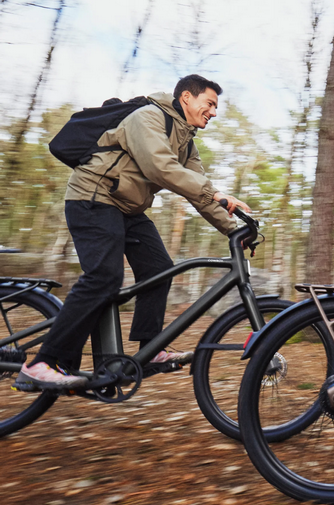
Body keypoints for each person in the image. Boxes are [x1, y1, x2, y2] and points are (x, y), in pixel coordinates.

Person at [14, 74, 249, 392]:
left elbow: (198, 192)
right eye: (209, 103)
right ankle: (43, 362)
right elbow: (160, 168)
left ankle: (150, 350)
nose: (214, 112)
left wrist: (233, 229)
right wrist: (216, 192)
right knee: (104, 277)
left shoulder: (186, 141)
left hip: (128, 209)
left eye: (215, 106)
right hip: (94, 197)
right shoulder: (149, 117)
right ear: (186, 98)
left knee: (159, 269)